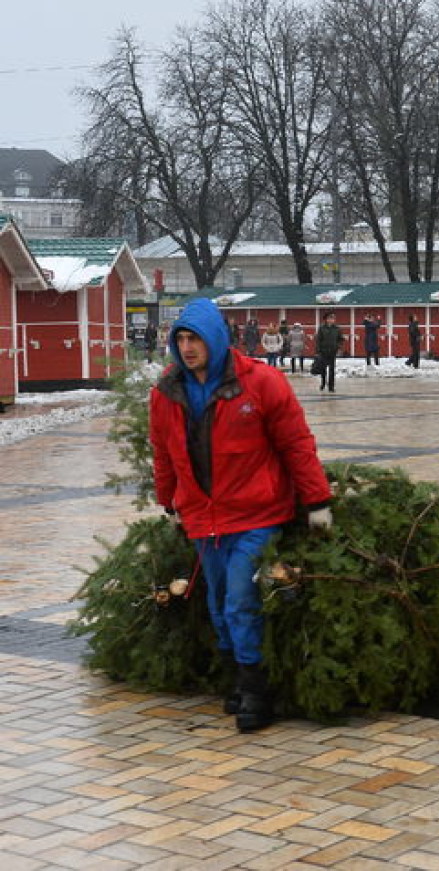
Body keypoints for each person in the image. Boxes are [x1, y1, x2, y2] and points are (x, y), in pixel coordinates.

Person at [149, 297, 332, 733]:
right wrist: (169, 501)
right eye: (181, 339)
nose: (188, 348)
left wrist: (317, 501)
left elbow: (295, 444)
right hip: (203, 516)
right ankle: (238, 678)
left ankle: (257, 689)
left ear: (214, 337)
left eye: (195, 338)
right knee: (216, 604)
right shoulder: (167, 391)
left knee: (240, 600)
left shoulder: (261, 383)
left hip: (255, 513)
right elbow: (164, 452)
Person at [315, 312, 342, 392]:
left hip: (333, 351)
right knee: (323, 369)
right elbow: (318, 340)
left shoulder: (337, 328)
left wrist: (338, 346)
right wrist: (318, 350)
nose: (331, 320)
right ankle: (323, 383)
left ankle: (331, 386)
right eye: (330, 318)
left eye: (333, 318)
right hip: (323, 351)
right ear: (326, 319)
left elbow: (340, 339)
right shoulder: (322, 328)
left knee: (332, 370)